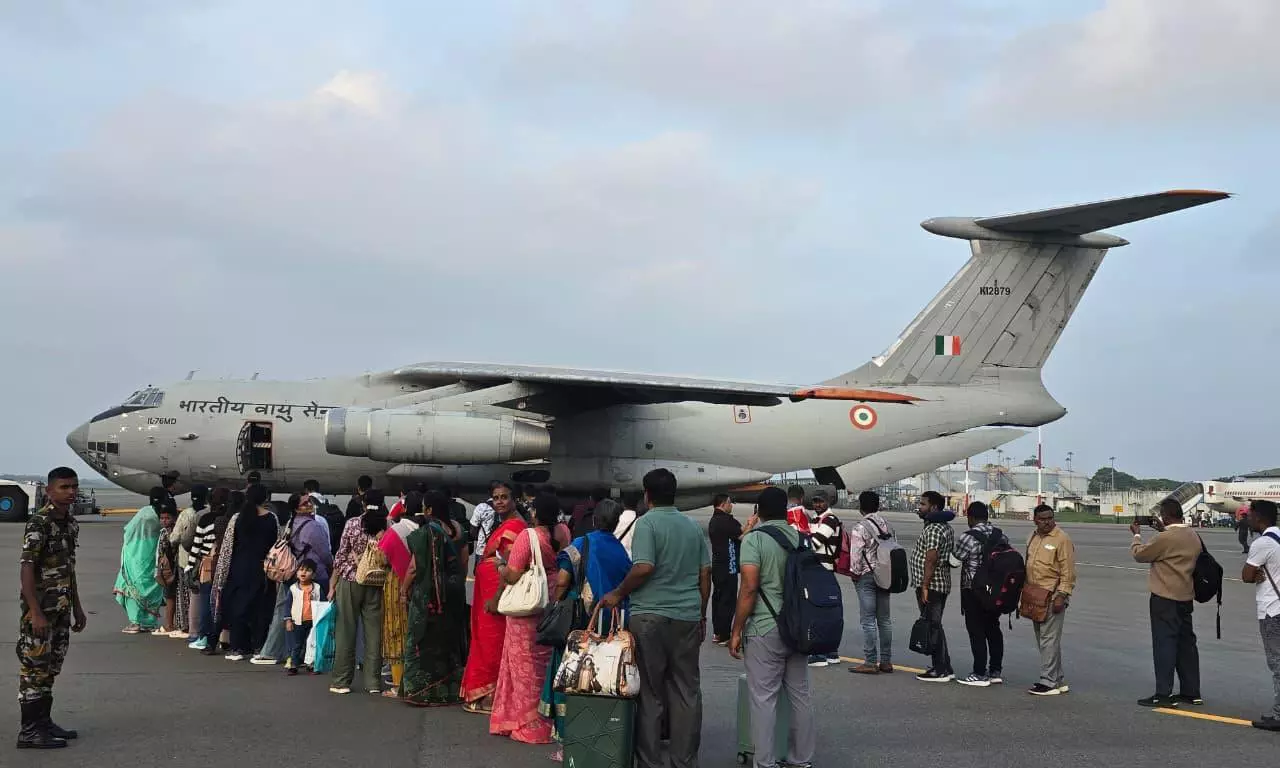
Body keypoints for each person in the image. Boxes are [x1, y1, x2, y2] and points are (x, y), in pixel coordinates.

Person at [600, 468, 710, 768]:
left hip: (650, 616)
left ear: (647, 495)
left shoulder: (647, 523)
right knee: (687, 690)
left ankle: (649, 761)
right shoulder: (692, 526)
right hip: (686, 615)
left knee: (650, 693)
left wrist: (619, 593)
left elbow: (644, 566)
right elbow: (705, 575)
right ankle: (683, 760)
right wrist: (700, 613)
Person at [729, 486, 815, 768]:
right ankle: (801, 759)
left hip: (766, 626)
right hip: (799, 626)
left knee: (764, 698)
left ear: (759, 511)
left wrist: (736, 630)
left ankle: (765, 762)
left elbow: (749, 588)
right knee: (799, 695)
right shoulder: (801, 538)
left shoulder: (754, 539)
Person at [543, 498, 633, 755]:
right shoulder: (620, 551)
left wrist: (557, 601)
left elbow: (562, 580)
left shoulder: (581, 544)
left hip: (579, 624)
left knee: (569, 678)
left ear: (594, 520)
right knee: (599, 681)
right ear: (616, 523)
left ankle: (566, 742)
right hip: (608, 625)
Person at [17, 467, 86, 750]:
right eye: (64, 487)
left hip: (61, 610)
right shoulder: (39, 523)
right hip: (40, 612)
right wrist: (34, 611)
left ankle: (43, 723)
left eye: (74, 487)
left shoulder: (70, 523)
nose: (70, 492)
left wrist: (78, 608)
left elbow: (69, 569)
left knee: (50, 667)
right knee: (34, 669)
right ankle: (29, 731)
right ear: (49, 491)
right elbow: (26, 568)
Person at [490, 494, 566, 744]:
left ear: (535, 513)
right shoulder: (563, 533)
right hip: (553, 600)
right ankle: (550, 720)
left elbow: (512, 575)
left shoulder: (528, 536)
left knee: (524, 666)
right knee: (547, 663)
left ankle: (529, 724)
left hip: (528, 608)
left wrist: (500, 566)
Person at [461, 481, 527, 713]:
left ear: (514, 499)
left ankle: (491, 697)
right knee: (483, 639)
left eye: (504, 497)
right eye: (496, 497)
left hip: (496, 596)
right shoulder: (506, 524)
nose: (499, 501)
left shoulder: (515, 526)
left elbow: (511, 565)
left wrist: (497, 597)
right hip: (487, 591)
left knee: (493, 643)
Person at [1131, 498, 1202, 708]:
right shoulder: (1192, 534)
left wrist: (1136, 535)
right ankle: (1191, 691)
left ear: (1165, 516)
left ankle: (1163, 693)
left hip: (1165, 597)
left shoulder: (1166, 537)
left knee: (1164, 644)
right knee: (1186, 645)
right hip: (1185, 596)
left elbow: (1140, 554)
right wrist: (1163, 530)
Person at [400, 491, 469, 707]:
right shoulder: (457, 530)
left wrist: (403, 591)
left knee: (421, 640)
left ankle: (421, 692)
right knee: (447, 641)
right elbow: (464, 562)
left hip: (430, 594)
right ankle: (449, 690)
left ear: (429, 509)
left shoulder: (428, 531)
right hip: (453, 591)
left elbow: (414, 567)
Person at [329, 491, 389, 695]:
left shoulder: (353, 523)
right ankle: (373, 682)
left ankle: (341, 680)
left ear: (363, 504)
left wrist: (338, 577)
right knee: (374, 632)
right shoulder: (386, 526)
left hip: (352, 579)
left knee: (346, 629)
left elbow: (341, 553)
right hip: (376, 582)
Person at [220, 484, 280, 661]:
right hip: (262, 568)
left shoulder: (238, 518)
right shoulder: (271, 518)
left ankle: (238, 646)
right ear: (265, 498)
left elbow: (228, 544)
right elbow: (276, 544)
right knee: (261, 608)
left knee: (239, 607)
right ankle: (259, 646)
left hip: (239, 566)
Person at [1025, 503, 1076, 696]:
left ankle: (1048, 682)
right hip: (1035, 595)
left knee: (1049, 639)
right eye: (1043, 519)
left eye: (1050, 518)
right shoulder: (1032, 537)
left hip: (1053, 595)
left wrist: (1062, 595)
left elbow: (1068, 571)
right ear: (1035, 520)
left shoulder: (1061, 539)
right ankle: (1058, 678)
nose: (1047, 522)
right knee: (1045, 640)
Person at [952, 501, 1005, 687]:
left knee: (976, 631)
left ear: (971, 517)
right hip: (995, 590)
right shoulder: (1000, 535)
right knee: (993, 629)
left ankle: (979, 672)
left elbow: (955, 560)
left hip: (974, 590)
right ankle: (995, 671)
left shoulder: (968, 537)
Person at [378, 492, 422, 697]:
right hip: (421, 585)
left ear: (403, 509)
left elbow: (382, 558)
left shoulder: (396, 530)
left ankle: (398, 684)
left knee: (396, 631)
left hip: (397, 584)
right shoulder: (428, 528)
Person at [1242, 499, 1280, 731]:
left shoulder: (1262, 543)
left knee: (1277, 663)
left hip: (1272, 610)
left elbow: (1246, 575)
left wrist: (1255, 573)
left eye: (1250, 514)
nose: (1247, 518)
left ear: (1259, 517)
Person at [848, 491, 894, 675]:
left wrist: (855, 574)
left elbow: (855, 555)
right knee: (884, 620)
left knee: (868, 620)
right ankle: (886, 661)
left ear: (861, 507)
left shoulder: (860, 528)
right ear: (878, 506)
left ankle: (870, 661)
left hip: (867, 576)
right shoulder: (886, 525)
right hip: (885, 574)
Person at [911, 491, 955, 682]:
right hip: (936, 584)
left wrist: (925, 586)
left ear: (934, 507)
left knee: (932, 626)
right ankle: (944, 666)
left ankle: (940, 669)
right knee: (934, 625)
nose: (919, 507)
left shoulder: (935, 529)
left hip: (933, 585)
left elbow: (931, 558)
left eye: (922, 504)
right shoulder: (939, 526)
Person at [113, 487, 167, 634]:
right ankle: (149, 622)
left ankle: (136, 622)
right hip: (153, 553)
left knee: (133, 584)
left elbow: (128, 530)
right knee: (152, 585)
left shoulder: (144, 512)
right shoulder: (163, 515)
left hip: (136, 553)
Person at [188, 487, 227, 652]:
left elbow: (196, 546)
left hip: (207, 566)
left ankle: (204, 636)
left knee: (206, 602)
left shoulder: (205, 519)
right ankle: (224, 637)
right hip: (224, 564)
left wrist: (190, 568)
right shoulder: (228, 519)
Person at [807, 489, 843, 666]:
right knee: (827, 611)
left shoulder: (829, 519)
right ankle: (831, 652)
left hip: (823, 569)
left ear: (828, 502)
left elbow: (813, 543)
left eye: (821, 501)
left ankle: (820, 654)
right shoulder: (816, 519)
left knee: (818, 611)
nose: (817, 505)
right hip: (820, 570)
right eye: (815, 501)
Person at [707, 493, 744, 647]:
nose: (731, 505)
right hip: (729, 566)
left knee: (718, 598)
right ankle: (723, 634)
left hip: (718, 565)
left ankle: (718, 632)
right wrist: (752, 523)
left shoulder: (714, 521)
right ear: (723, 504)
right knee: (727, 600)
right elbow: (741, 535)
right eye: (729, 503)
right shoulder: (726, 521)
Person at [174, 485, 206, 642]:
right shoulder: (207, 514)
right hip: (205, 562)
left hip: (186, 561)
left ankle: (188, 627)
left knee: (186, 595)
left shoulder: (186, 515)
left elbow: (177, 538)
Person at [283, 560, 323, 675]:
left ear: (314, 574)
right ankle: (294, 664)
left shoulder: (317, 588)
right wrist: (288, 620)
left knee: (312, 643)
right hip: (298, 621)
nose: (303, 572)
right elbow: (288, 605)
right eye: (301, 570)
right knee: (297, 644)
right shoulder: (293, 588)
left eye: (308, 570)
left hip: (313, 620)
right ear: (297, 573)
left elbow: (322, 602)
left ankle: (311, 664)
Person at [156, 500, 180, 636]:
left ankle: (169, 624)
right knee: (169, 596)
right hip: (167, 568)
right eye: (162, 518)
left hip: (171, 569)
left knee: (170, 596)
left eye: (167, 518)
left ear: (174, 518)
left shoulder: (171, 533)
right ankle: (171, 623)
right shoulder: (164, 531)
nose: (164, 521)